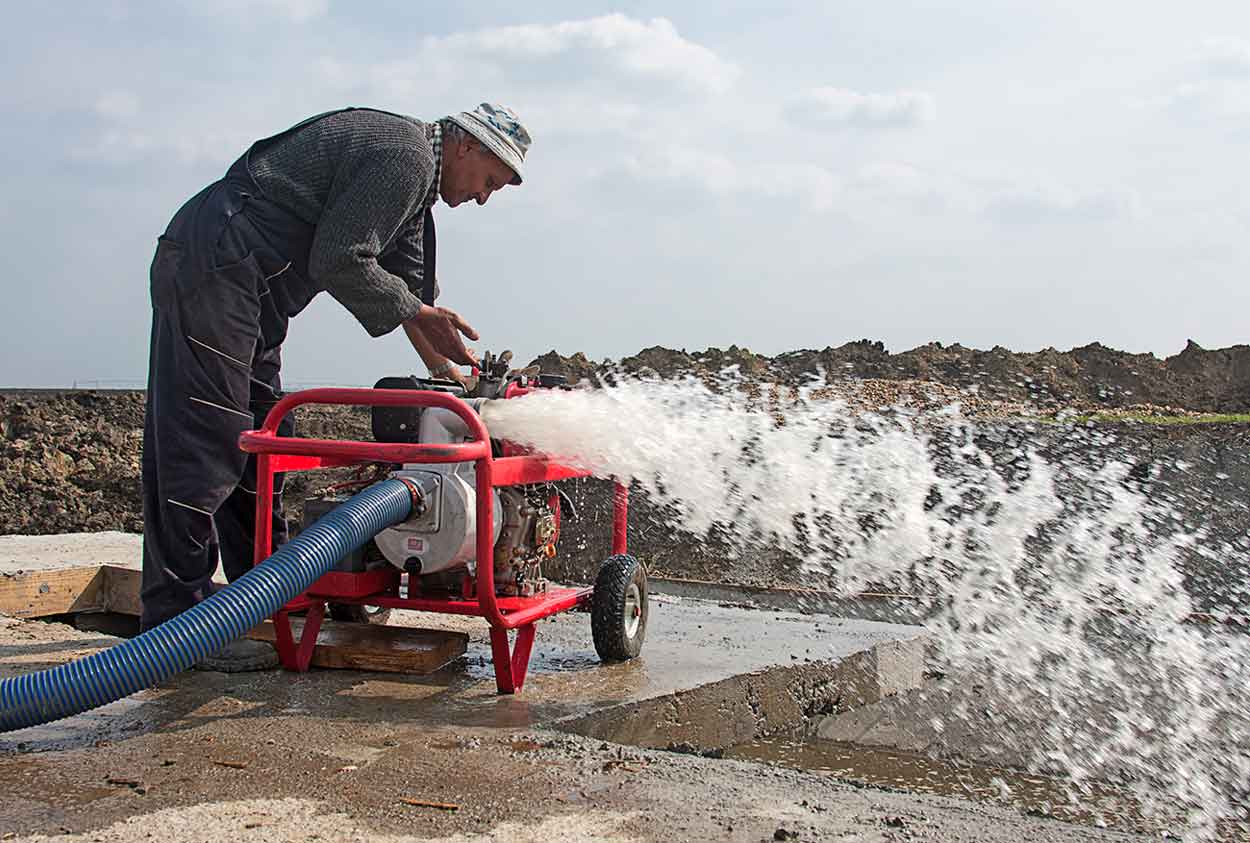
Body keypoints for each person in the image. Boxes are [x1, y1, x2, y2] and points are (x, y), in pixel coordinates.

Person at [139, 103, 531, 670]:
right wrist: (420, 315)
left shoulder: (415, 197)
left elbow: (410, 303)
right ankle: (175, 624)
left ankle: (263, 596)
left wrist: (458, 380)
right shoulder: (406, 157)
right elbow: (340, 260)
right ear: (466, 146)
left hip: (255, 290)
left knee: (269, 437)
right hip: (217, 265)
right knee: (209, 438)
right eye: (490, 181)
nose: (484, 197)